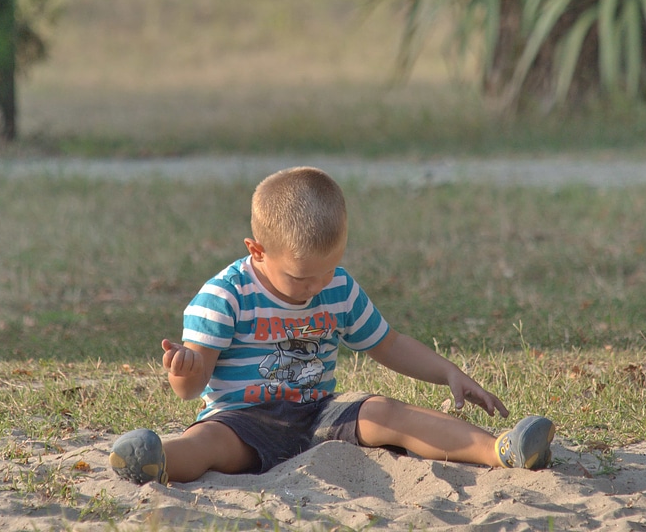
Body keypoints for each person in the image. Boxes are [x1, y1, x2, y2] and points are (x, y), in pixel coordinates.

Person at [110, 166, 554, 485]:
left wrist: (448, 373)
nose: (319, 286)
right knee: (207, 442)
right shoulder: (225, 296)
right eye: (303, 277)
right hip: (244, 421)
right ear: (257, 249)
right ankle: (154, 460)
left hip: (321, 412)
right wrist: (183, 372)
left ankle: (502, 449)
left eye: (330, 269)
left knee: (385, 412)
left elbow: (388, 344)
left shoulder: (336, 287)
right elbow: (191, 389)